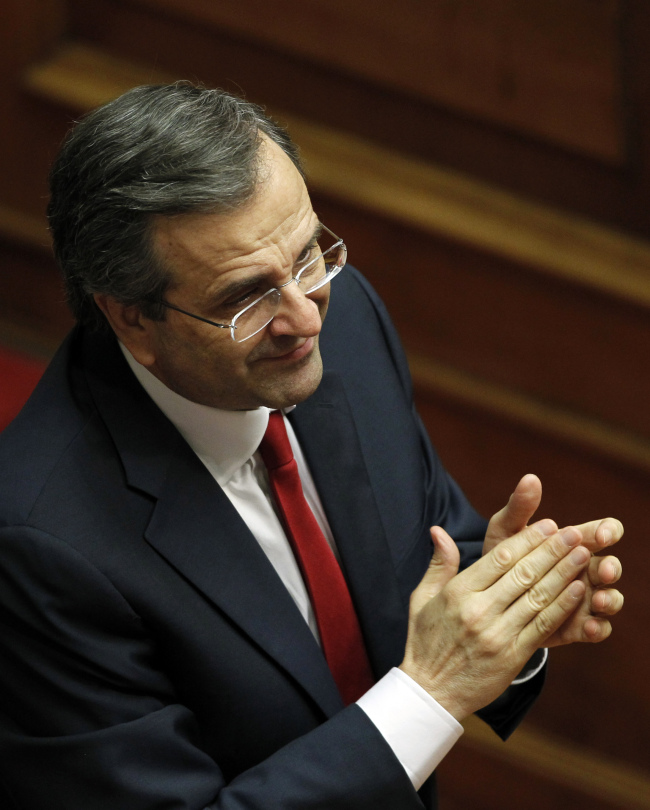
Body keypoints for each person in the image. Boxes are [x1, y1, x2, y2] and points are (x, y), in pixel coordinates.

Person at [0, 83, 623, 810]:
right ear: (131, 317)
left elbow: (428, 565)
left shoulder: (346, 320)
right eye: (245, 297)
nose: (304, 314)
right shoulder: (38, 547)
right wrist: (433, 691)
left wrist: (512, 615)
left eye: (307, 256)